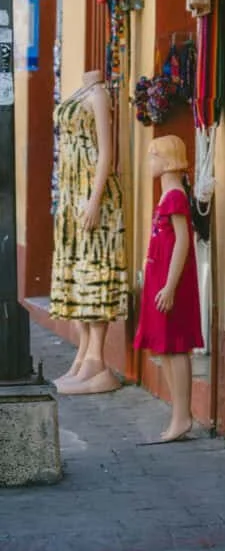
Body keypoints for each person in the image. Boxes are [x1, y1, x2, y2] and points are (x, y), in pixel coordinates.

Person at [51, 69, 128, 395]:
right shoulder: (81, 92)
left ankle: (96, 359)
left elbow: (106, 154)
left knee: (94, 274)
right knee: (76, 276)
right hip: (71, 195)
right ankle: (83, 356)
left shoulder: (99, 95)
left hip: (91, 195)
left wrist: (95, 200)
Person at [134, 135, 203, 442]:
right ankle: (179, 413)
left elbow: (183, 242)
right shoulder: (168, 196)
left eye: (152, 157)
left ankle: (182, 415)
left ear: (166, 161)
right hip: (162, 280)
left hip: (169, 282)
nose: (149, 164)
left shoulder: (174, 196)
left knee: (176, 348)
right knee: (166, 349)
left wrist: (170, 286)